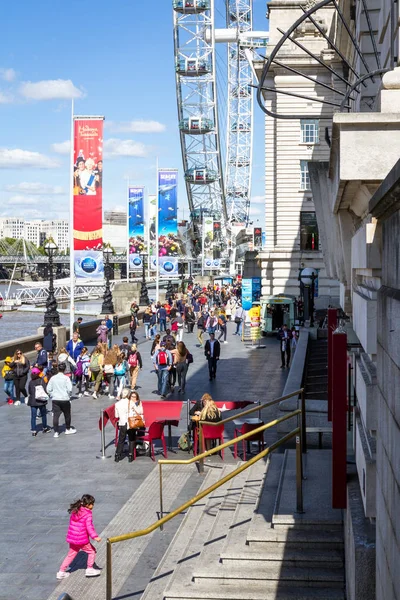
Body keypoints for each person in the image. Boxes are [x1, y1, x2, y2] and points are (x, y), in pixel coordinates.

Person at [56, 494, 101, 580]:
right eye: (92, 504)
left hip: (72, 538)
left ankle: (61, 572)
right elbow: (89, 527)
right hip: (81, 539)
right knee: (92, 551)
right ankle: (90, 569)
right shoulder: (88, 514)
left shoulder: (75, 511)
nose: (93, 506)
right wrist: (95, 537)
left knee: (71, 554)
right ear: (88, 505)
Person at [46, 362, 76, 438]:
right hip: (65, 399)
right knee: (67, 415)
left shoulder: (53, 378)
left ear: (58, 369)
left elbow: (48, 389)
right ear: (65, 369)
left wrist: (52, 394)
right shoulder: (66, 378)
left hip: (55, 399)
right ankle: (68, 429)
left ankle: (56, 432)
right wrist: (68, 395)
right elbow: (69, 389)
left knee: (56, 415)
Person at [115, 390, 145, 462]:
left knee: (121, 440)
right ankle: (130, 455)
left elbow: (116, 415)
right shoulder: (131, 402)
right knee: (131, 439)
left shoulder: (117, 404)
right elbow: (139, 411)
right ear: (128, 395)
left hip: (122, 423)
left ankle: (117, 455)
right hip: (131, 423)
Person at [27, 367, 51, 436]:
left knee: (33, 416)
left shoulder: (31, 382)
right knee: (43, 415)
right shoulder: (41, 380)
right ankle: (45, 428)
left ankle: (34, 431)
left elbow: (29, 391)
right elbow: (45, 390)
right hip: (41, 401)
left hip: (33, 401)